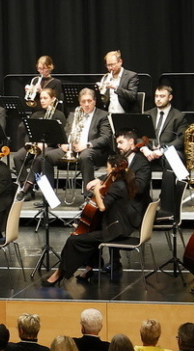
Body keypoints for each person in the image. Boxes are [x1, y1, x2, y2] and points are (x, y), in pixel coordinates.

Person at [42, 155, 141, 286]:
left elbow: (102, 207)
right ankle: (90, 268)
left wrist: (97, 192)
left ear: (113, 169)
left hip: (116, 231)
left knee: (74, 240)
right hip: (120, 226)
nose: (106, 169)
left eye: (107, 167)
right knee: (88, 235)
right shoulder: (123, 182)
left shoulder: (118, 186)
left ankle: (59, 274)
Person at [42, 88, 113, 192]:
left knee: (85, 156)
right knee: (46, 157)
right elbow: (65, 132)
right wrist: (63, 144)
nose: (87, 104)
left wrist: (86, 145)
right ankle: (48, 198)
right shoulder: (73, 114)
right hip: (73, 149)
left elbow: (105, 137)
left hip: (94, 150)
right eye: (83, 101)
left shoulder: (103, 115)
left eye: (89, 101)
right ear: (80, 103)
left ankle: (88, 197)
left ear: (95, 101)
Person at [143, 85, 186, 219]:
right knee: (134, 159)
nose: (158, 99)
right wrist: (145, 149)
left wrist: (163, 150)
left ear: (170, 97)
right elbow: (139, 135)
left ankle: (166, 208)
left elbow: (181, 139)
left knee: (173, 158)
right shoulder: (148, 114)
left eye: (162, 96)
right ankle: (143, 203)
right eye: (156, 96)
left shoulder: (179, 116)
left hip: (166, 152)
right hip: (149, 152)